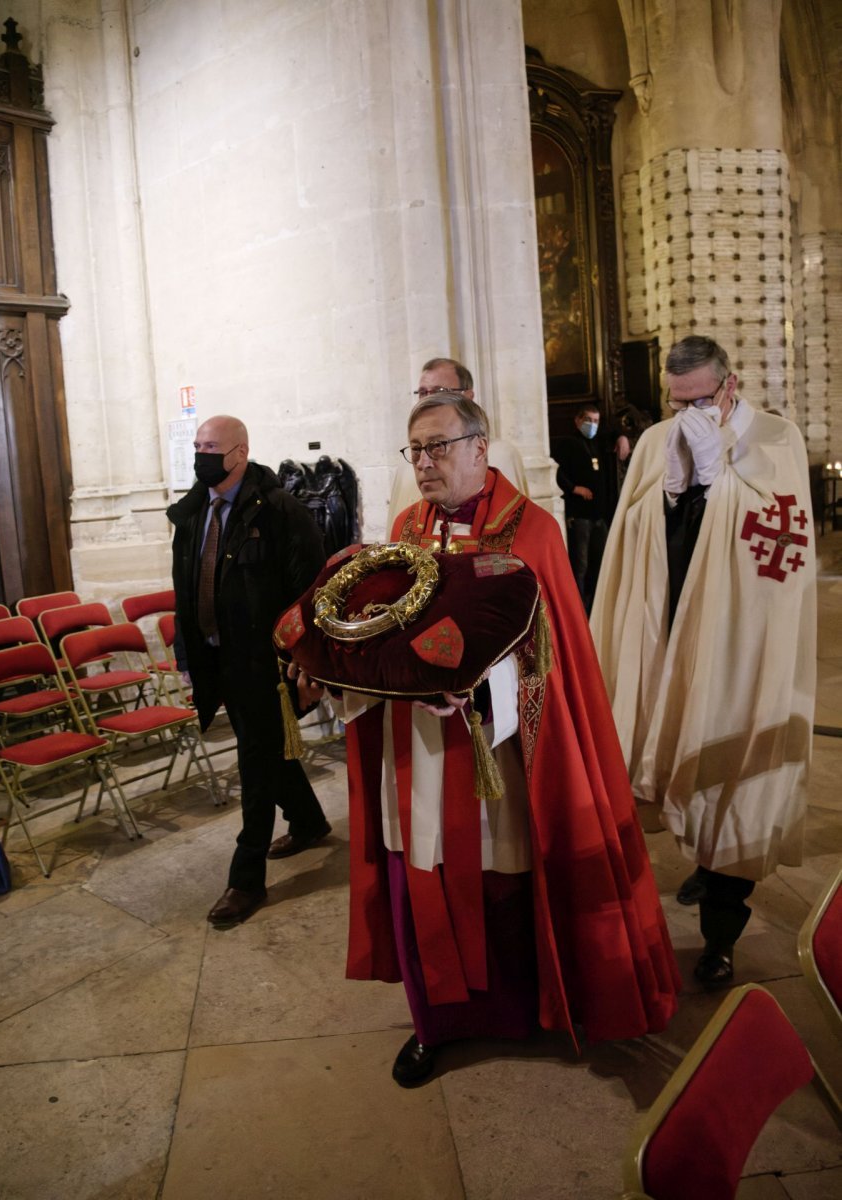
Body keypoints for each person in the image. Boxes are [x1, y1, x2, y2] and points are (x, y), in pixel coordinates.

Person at [297, 393, 679, 1086]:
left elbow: (551, 655)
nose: (424, 463)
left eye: (439, 447)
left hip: (498, 752)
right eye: (415, 450)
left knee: (504, 873)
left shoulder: (531, 532)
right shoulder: (405, 527)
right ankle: (434, 1023)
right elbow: (381, 629)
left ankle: (525, 1009)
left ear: (480, 448)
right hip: (415, 746)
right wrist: (340, 666)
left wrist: (482, 693)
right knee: (421, 869)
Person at [591, 336, 816, 987]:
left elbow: (787, 546)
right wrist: (670, 497)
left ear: (731, 383)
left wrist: (721, 486)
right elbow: (628, 544)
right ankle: (701, 851)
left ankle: (721, 937)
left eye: (703, 398)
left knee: (734, 780)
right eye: (677, 400)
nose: (691, 412)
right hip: (667, 640)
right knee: (679, 768)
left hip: (739, 644)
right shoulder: (661, 441)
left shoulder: (778, 438)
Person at [168, 415, 332, 925]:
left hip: (265, 662)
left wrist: (305, 664)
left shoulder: (282, 511)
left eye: (210, 446)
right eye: (197, 445)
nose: (201, 454)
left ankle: (246, 879)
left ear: (239, 452)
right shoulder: (194, 511)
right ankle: (308, 821)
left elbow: (311, 594)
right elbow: (186, 584)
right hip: (216, 657)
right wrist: (187, 654)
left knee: (255, 763)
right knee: (261, 748)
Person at [387, 357, 528, 529]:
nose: (428, 400)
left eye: (440, 391)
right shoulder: (406, 464)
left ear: (468, 396)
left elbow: (520, 526)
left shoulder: (502, 455)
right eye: (423, 393)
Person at [552, 404, 609, 612]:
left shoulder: (597, 444)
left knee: (600, 563)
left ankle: (595, 608)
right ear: (577, 421)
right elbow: (557, 473)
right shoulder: (567, 444)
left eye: (596, 421)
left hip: (598, 515)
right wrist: (574, 488)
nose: (592, 425)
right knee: (580, 566)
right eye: (588, 420)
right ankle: (579, 610)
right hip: (580, 515)